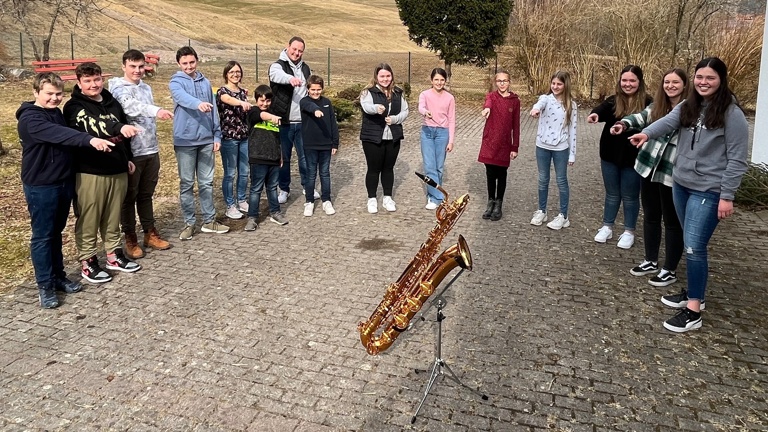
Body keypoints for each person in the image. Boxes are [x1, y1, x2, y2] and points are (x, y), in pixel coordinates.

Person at [629, 57, 749, 333]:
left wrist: (727, 195)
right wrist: (645, 135)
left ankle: (693, 310)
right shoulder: (689, 105)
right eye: (699, 77)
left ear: (721, 80)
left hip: (709, 189)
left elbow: (737, 159)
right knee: (690, 241)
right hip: (681, 183)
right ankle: (696, 294)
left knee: (694, 246)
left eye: (710, 78)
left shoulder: (732, 114)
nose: (703, 82)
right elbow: (668, 122)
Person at [19, 72, 115, 308]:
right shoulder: (31, 119)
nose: (54, 98)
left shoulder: (57, 114)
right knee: (43, 236)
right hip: (41, 186)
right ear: (36, 93)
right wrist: (89, 139)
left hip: (63, 182)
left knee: (57, 233)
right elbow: (61, 135)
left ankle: (59, 277)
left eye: (58, 94)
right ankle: (45, 285)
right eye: (49, 94)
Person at [63, 62, 142, 284]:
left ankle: (113, 255)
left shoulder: (112, 103)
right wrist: (118, 129)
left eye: (96, 79)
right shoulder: (74, 107)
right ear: (79, 82)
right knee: (89, 218)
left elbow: (124, 132)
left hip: (117, 170)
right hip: (90, 172)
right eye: (87, 81)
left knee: (112, 216)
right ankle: (88, 261)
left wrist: (127, 158)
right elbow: (96, 127)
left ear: (102, 79)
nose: (93, 84)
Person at [611, 68, 688, 287]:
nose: (670, 86)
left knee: (672, 222)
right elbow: (640, 117)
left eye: (675, 82)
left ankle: (669, 269)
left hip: (672, 172)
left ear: (684, 85)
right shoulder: (657, 106)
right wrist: (623, 124)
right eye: (667, 82)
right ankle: (650, 260)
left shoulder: (690, 110)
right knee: (651, 216)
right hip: (648, 167)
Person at [109, 49, 174, 260]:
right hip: (132, 152)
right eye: (133, 66)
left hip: (150, 149)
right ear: (123, 67)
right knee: (129, 197)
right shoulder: (117, 88)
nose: (137, 71)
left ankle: (150, 232)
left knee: (146, 194)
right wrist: (157, 110)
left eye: (141, 66)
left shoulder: (146, 87)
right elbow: (130, 107)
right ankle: (130, 237)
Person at [587, 65, 651, 248]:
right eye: (624, 80)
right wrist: (594, 115)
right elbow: (600, 110)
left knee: (630, 196)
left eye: (632, 80)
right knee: (612, 193)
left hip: (634, 157)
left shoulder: (648, 103)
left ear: (639, 82)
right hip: (610, 155)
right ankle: (607, 226)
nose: (628, 84)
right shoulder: (613, 101)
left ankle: (629, 231)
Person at [170, 46, 229, 240]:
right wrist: (197, 104)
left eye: (192, 62)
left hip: (206, 140)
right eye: (185, 63)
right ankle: (189, 223)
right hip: (185, 141)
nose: (189, 66)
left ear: (197, 61)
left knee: (206, 182)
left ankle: (209, 220)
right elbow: (182, 98)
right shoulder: (175, 82)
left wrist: (216, 135)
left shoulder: (205, 82)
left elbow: (213, 112)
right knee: (187, 183)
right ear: (179, 64)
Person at [269, 36, 318, 204]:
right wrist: (290, 79)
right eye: (294, 49)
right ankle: (284, 189)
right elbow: (278, 76)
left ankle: (308, 186)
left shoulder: (305, 68)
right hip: (284, 122)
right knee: (284, 158)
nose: (297, 53)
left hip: (303, 121)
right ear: (287, 47)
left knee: (305, 157)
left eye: (300, 51)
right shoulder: (277, 66)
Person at [529, 71, 577, 230]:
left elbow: (573, 130)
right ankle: (542, 211)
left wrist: (572, 153)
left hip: (561, 148)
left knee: (561, 180)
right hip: (542, 145)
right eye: (553, 83)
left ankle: (564, 215)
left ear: (565, 85)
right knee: (543, 179)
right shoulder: (545, 99)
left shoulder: (571, 104)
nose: (555, 87)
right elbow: (539, 105)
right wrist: (535, 110)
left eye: (559, 84)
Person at [359, 63, 409, 214]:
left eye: (388, 76)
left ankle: (387, 197)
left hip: (393, 136)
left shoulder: (398, 93)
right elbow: (366, 107)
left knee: (388, 169)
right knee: (374, 169)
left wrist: (394, 119)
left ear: (392, 76)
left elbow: (405, 111)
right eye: (382, 76)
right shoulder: (367, 92)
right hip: (372, 137)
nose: (385, 79)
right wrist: (376, 108)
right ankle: (372, 198)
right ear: (376, 77)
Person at [244, 85, 289, 230]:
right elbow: (262, 115)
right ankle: (252, 217)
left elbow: (278, 138)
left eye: (268, 101)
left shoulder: (273, 113)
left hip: (274, 158)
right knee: (256, 189)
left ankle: (275, 212)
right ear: (256, 100)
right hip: (258, 158)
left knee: (272, 187)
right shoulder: (253, 112)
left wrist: (280, 156)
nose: (264, 104)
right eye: (261, 100)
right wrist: (272, 117)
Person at [477, 70, 520, 221]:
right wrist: (487, 109)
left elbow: (516, 125)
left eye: (505, 81)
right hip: (490, 141)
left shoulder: (514, 101)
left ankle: (498, 203)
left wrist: (515, 147)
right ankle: (490, 202)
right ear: (496, 83)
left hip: (504, 144)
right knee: (490, 173)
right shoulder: (491, 96)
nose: (502, 83)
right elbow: (487, 103)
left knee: (501, 174)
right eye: (499, 81)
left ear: (509, 82)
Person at [216, 60, 251, 220]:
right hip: (229, 138)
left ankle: (242, 200)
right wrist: (242, 102)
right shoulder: (222, 91)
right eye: (232, 72)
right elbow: (228, 100)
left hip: (244, 137)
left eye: (238, 72)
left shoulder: (243, 92)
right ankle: (230, 205)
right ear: (226, 75)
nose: (235, 74)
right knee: (230, 173)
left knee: (244, 172)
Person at [300, 75, 339, 217]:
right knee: (311, 174)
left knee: (325, 173)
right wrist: (315, 110)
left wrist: (335, 143)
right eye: (313, 90)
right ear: (308, 89)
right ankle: (309, 201)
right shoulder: (304, 102)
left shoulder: (327, 102)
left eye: (319, 89)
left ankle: (326, 200)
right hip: (310, 145)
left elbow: (333, 124)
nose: (316, 92)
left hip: (326, 145)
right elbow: (309, 106)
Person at [418, 67, 455, 210]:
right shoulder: (425, 94)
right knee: (429, 165)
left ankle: (435, 194)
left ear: (445, 81)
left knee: (439, 167)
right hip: (427, 132)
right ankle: (435, 198)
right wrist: (425, 112)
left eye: (442, 80)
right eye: (436, 80)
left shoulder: (450, 98)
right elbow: (421, 107)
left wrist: (451, 141)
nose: (439, 83)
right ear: (431, 80)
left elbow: (452, 119)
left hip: (442, 133)